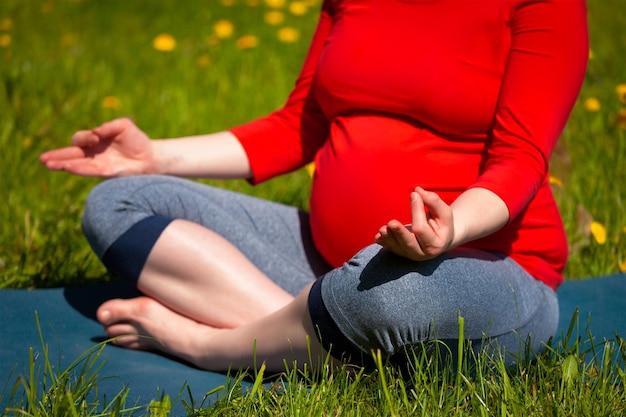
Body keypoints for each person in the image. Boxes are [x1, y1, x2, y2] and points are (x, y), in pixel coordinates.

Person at [40, 0, 588, 373]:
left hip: (486, 268)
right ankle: (309, 335)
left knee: (388, 296)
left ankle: (210, 347)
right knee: (119, 202)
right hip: (327, 265)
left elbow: (521, 159)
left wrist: (451, 229)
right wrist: (156, 156)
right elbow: (297, 125)